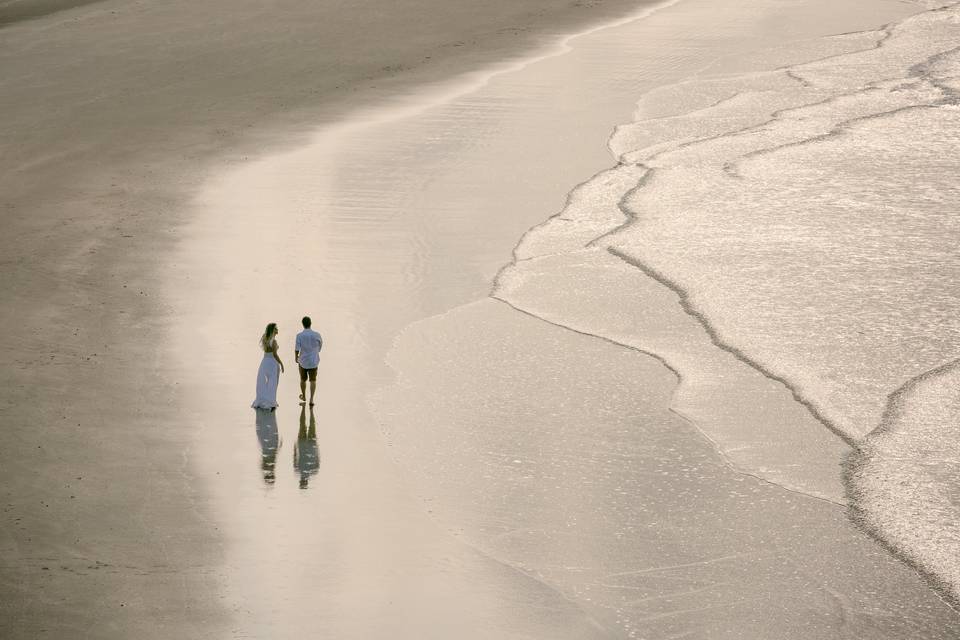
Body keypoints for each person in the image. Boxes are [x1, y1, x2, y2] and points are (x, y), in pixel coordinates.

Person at [251, 322, 284, 410]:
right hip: (272, 363)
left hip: (264, 361)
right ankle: (270, 401)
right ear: (273, 330)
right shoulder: (274, 341)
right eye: (276, 329)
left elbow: (267, 350)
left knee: (262, 381)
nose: (277, 330)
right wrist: (281, 363)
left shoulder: (264, 338)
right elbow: (275, 355)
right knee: (273, 382)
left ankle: (262, 399)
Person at [294, 316, 323, 406]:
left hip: (303, 361)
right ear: (310, 323)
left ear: (303, 324)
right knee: (313, 380)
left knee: (303, 380)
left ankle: (304, 396)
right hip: (314, 361)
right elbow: (320, 345)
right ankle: (311, 399)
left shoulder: (299, 335)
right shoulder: (317, 334)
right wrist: (315, 352)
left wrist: (296, 357)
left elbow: (297, 349)